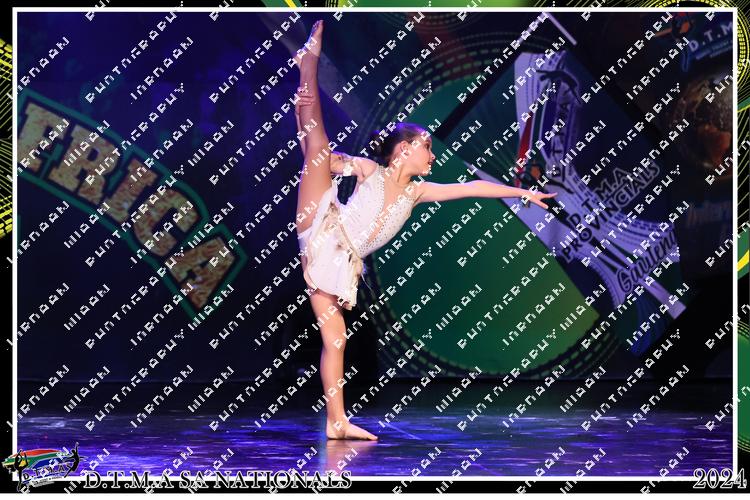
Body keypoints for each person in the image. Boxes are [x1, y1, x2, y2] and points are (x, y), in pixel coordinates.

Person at [292, 19, 557, 440]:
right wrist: (314, 140)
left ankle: (336, 422)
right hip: (323, 223)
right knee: (316, 146)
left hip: (342, 262)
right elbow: (322, 158)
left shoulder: (417, 193)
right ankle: (308, 65)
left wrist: (521, 192)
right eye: (427, 146)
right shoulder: (370, 170)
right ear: (404, 149)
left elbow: (472, 188)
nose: (432, 155)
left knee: (337, 339)